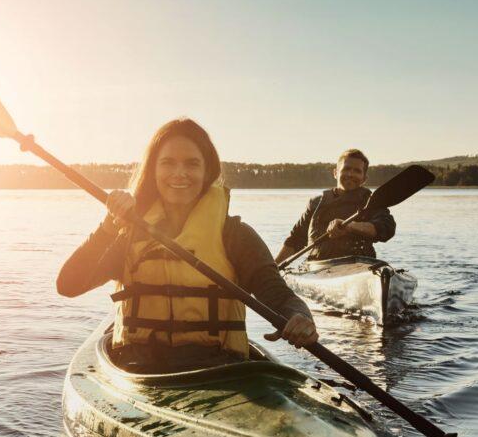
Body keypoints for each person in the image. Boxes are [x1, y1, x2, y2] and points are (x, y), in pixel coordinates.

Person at [56, 118, 317, 373]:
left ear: (207, 172)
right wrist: (108, 228)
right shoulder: (127, 234)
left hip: (219, 369)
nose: (179, 173)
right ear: (153, 170)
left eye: (192, 164)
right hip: (137, 369)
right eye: (167, 163)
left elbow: (278, 294)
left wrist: (300, 315)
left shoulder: (235, 235)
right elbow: (69, 285)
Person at [274, 149, 396, 265]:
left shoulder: (371, 202)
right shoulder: (316, 203)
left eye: (357, 171)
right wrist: (273, 268)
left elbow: (387, 228)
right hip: (317, 268)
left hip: (358, 267)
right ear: (335, 173)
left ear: (364, 178)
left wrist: (350, 226)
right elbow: (295, 240)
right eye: (346, 169)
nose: (350, 174)